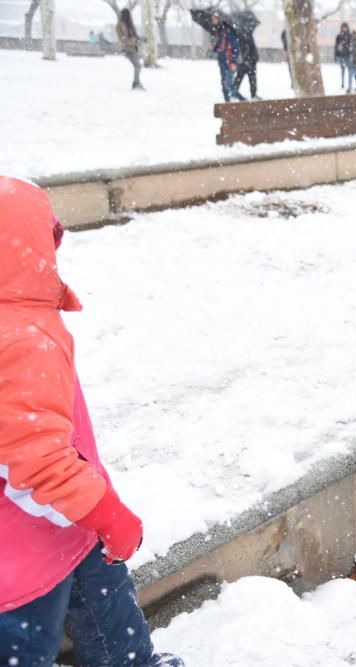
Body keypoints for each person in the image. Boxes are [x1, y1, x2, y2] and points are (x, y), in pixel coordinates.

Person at [0, 177, 183, 667]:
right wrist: (109, 516)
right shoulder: (22, 337)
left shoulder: (19, 318)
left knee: (108, 607)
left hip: (62, 523)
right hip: (30, 545)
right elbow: (37, 464)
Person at [209, 12, 244, 102]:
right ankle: (227, 103)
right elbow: (219, 47)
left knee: (228, 84)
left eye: (214, 19)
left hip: (230, 61)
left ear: (219, 19)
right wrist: (213, 47)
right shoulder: (219, 31)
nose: (212, 21)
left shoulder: (229, 31)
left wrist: (234, 62)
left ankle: (243, 100)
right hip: (222, 61)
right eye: (212, 19)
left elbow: (236, 48)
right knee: (224, 83)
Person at [233, 11, 261, 100]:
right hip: (246, 60)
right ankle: (234, 91)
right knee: (240, 77)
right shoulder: (242, 35)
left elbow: (251, 47)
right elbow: (244, 48)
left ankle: (253, 94)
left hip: (250, 60)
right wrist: (245, 58)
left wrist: (254, 56)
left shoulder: (248, 34)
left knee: (250, 78)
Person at [115, 8, 143, 91]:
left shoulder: (129, 24)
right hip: (128, 49)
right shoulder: (121, 25)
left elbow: (134, 36)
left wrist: (141, 39)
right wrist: (134, 40)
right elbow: (123, 39)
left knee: (138, 66)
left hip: (133, 48)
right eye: (130, 14)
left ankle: (136, 83)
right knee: (138, 66)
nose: (131, 16)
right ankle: (136, 83)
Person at [334, 22, 352, 90]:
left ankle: (349, 85)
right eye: (343, 27)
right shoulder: (339, 36)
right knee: (342, 70)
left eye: (345, 27)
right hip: (340, 55)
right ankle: (342, 83)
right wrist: (335, 56)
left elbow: (351, 46)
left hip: (347, 56)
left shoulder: (349, 36)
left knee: (350, 70)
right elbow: (336, 46)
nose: (344, 28)